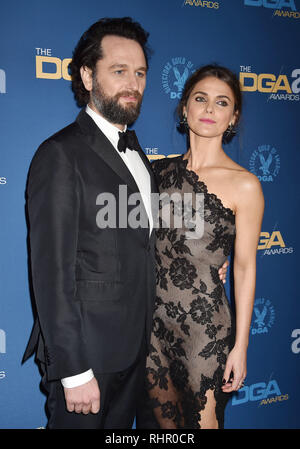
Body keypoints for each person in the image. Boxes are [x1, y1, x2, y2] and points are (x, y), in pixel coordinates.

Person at [22, 18, 228, 429]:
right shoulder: (61, 155)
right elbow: (51, 273)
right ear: (86, 74)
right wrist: (74, 370)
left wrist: (208, 265)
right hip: (88, 359)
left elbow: (145, 242)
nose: (132, 83)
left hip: (141, 353)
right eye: (119, 71)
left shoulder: (140, 158)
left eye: (140, 73)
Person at [136, 65, 264, 429]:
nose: (209, 109)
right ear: (185, 109)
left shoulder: (246, 185)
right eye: (200, 99)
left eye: (221, 102)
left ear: (233, 116)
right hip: (153, 332)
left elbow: (243, 268)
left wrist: (241, 347)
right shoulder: (155, 173)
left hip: (205, 333)